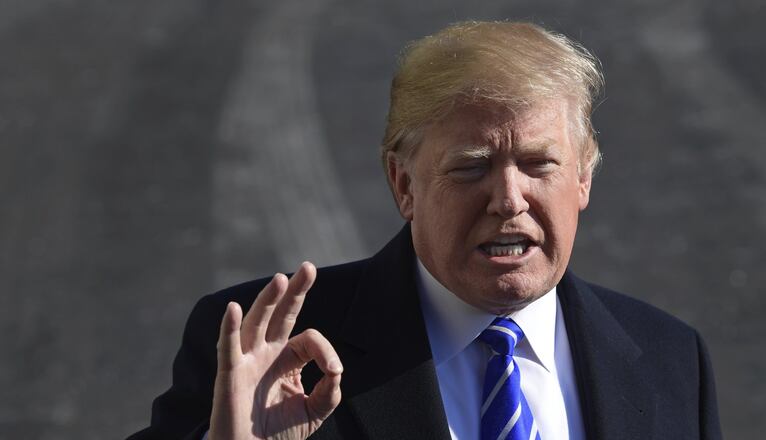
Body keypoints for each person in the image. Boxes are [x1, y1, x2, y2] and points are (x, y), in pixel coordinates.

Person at [129, 21, 722, 440]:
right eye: (471, 167)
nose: (508, 199)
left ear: (583, 178)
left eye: (539, 165)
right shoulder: (266, 355)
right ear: (404, 184)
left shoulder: (670, 358)